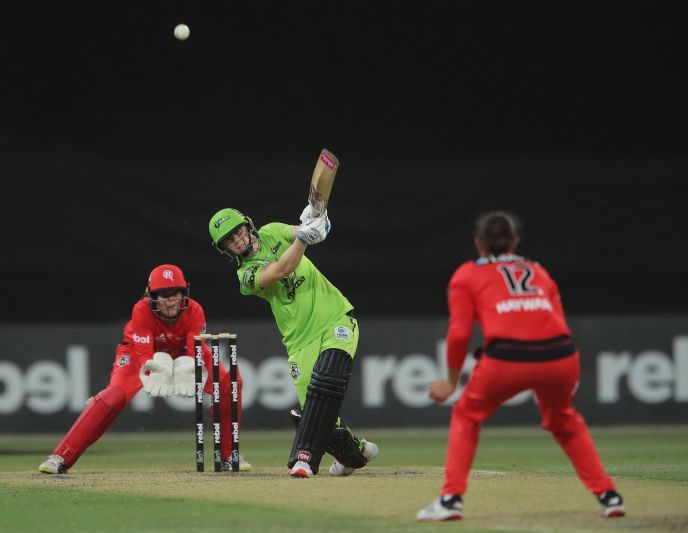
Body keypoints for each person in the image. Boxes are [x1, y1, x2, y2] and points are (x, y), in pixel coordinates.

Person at [416, 211, 625, 521]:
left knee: (467, 414)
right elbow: (558, 320)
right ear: (514, 242)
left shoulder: (467, 274)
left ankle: (450, 500)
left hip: (508, 358)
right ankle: (609, 496)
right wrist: (569, 373)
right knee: (564, 420)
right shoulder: (538, 269)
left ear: (479, 244)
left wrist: (450, 381)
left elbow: (459, 333)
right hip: (561, 355)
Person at [208, 206, 378, 478]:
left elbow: (313, 233)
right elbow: (282, 268)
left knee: (327, 381)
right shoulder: (245, 276)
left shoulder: (273, 230)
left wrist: (317, 220)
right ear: (224, 249)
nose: (236, 240)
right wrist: (304, 239)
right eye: (228, 240)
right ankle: (354, 454)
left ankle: (304, 460)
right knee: (317, 411)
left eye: (237, 231)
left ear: (247, 225)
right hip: (299, 342)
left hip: (336, 318)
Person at [38, 264, 249, 474]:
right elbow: (145, 357)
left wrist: (187, 367)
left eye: (175, 294)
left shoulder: (195, 310)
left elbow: (194, 349)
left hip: (182, 350)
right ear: (151, 296)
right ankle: (61, 457)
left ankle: (229, 456)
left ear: (185, 292)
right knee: (113, 397)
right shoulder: (141, 310)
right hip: (136, 352)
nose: (170, 301)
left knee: (230, 383)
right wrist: (156, 371)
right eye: (163, 295)